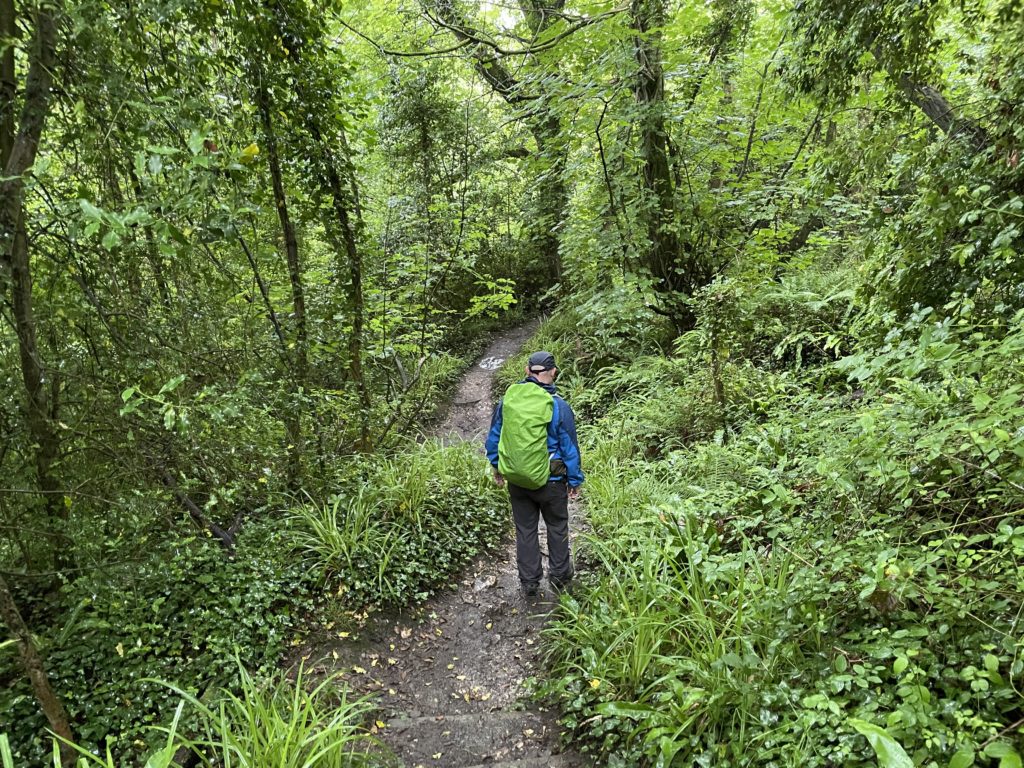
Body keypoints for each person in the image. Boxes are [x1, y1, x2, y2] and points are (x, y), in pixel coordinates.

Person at [485, 350, 583, 597]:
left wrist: (497, 467)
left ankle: (529, 582)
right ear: (553, 373)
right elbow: (569, 446)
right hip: (551, 481)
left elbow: (494, 438)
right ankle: (560, 576)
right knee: (557, 525)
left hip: (518, 480)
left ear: (527, 371)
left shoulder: (508, 401)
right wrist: (574, 479)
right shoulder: (559, 406)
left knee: (525, 529)